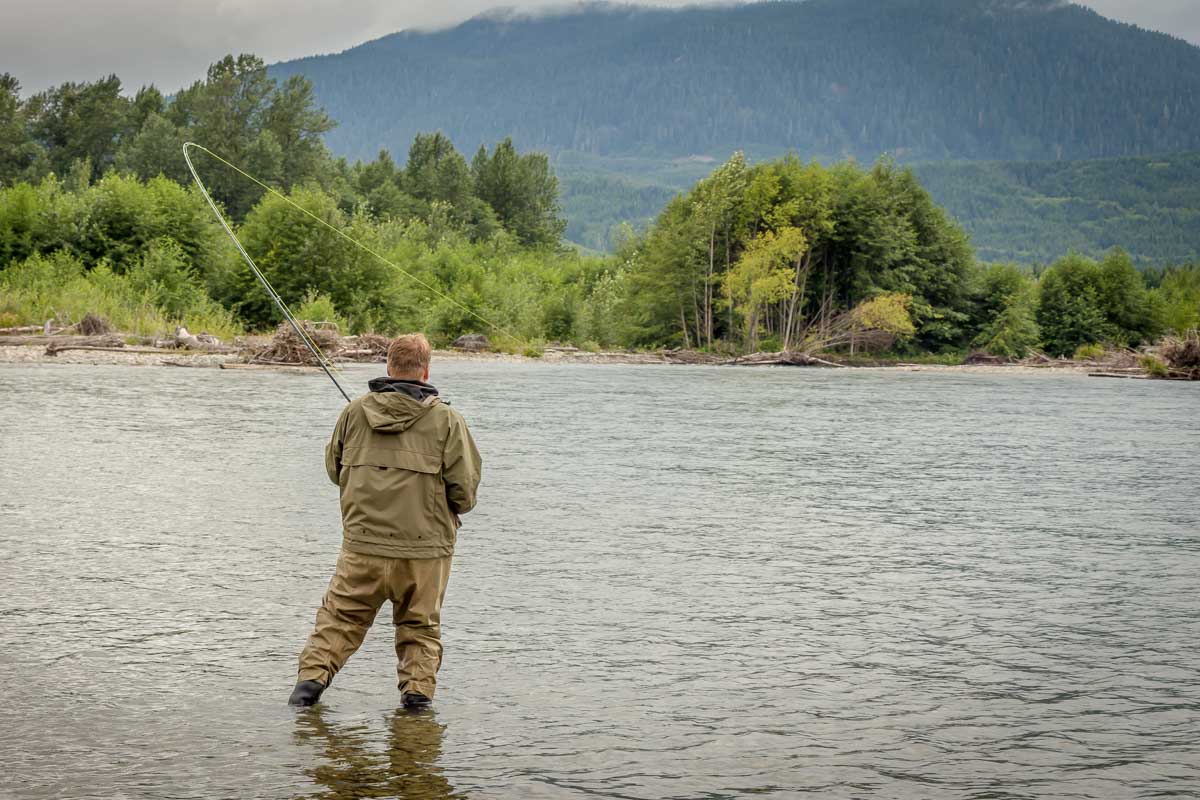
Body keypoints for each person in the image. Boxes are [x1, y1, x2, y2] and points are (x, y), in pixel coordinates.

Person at [288, 333, 482, 708]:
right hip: (425, 555)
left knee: (338, 622)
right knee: (419, 630)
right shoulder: (448, 422)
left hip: (362, 547)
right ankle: (415, 722)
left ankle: (303, 701)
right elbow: (465, 494)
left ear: (389, 367)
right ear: (426, 370)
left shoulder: (354, 412)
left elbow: (334, 471)